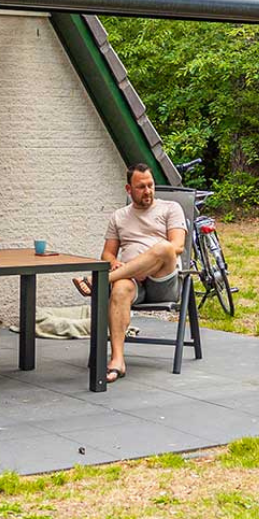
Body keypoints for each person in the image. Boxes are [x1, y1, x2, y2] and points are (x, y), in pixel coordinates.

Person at [73, 163, 187, 383]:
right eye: (141, 187)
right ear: (128, 189)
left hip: (163, 280)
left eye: (150, 185)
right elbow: (107, 253)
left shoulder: (171, 208)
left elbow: (178, 246)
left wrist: (142, 265)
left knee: (164, 247)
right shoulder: (119, 216)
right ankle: (117, 360)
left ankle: (99, 281)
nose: (148, 191)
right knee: (120, 289)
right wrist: (115, 262)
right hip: (133, 280)